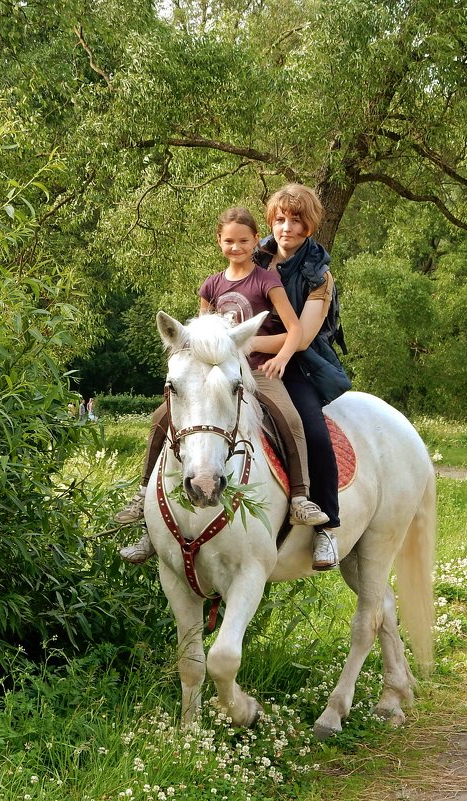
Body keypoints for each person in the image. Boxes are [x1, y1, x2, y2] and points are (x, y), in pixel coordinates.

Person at [115, 206, 330, 563]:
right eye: (229, 241)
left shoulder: (266, 280)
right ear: (219, 241)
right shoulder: (211, 284)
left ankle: (299, 498)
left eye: (244, 241)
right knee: (160, 418)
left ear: (254, 240)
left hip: (258, 371)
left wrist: (280, 359)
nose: (236, 247)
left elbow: (294, 329)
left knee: (290, 419)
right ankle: (144, 502)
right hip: (213, 372)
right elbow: (200, 335)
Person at [251, 184, 346, 570]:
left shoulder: (320, 275)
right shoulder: (253, 254)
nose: (286, 228)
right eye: (280, 219)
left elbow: (302, 336)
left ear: (309, 226)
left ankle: (328, 528)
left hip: (298, 363)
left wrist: (243, 342)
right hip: (245, 356)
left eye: (296, 221)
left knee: (313, 431)